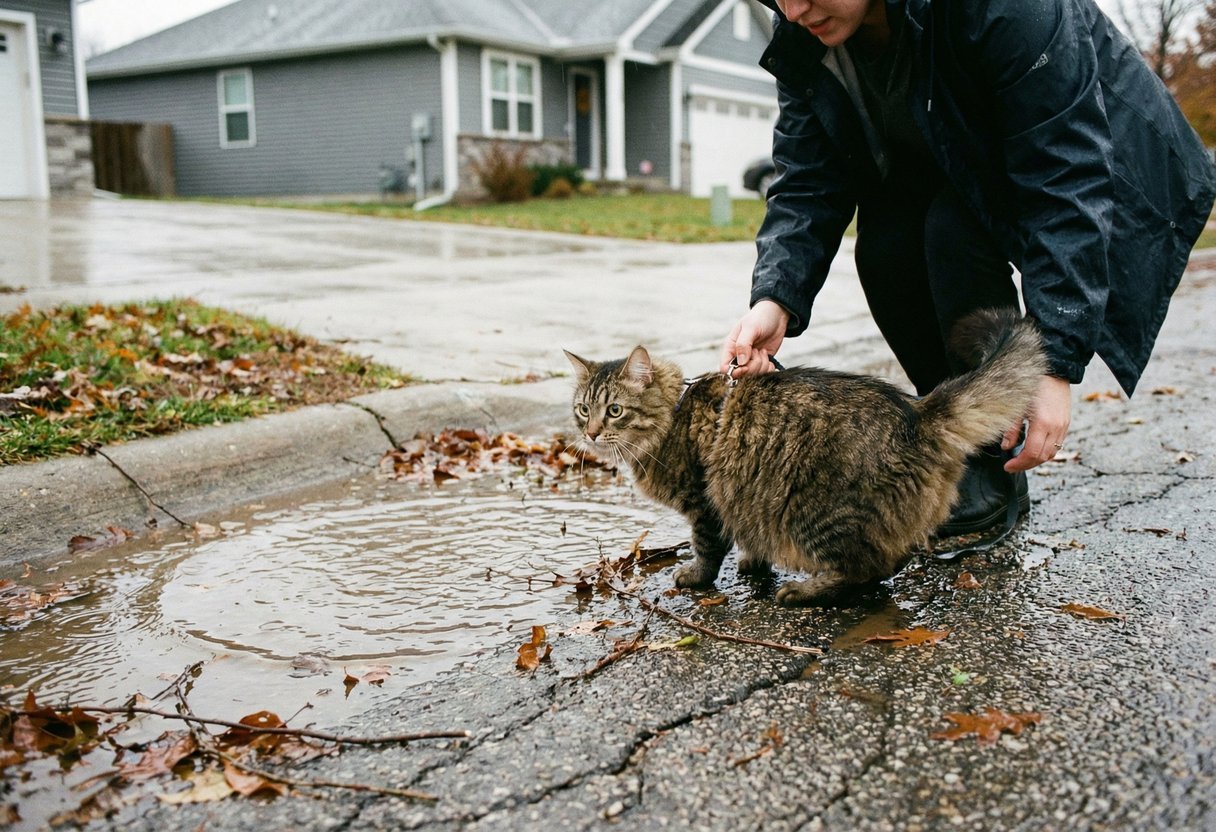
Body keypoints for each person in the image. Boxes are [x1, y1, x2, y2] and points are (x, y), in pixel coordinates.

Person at [721, 0, 1216, 535]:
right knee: (884, 244)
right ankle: (964, 446)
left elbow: (1064, 174)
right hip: (943, 163)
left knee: (952, 234)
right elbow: (808, 179)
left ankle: (993, 458)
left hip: (1083, 155)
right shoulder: (802, 31)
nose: (794, 10)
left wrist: (1050, 362)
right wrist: (775, 298)